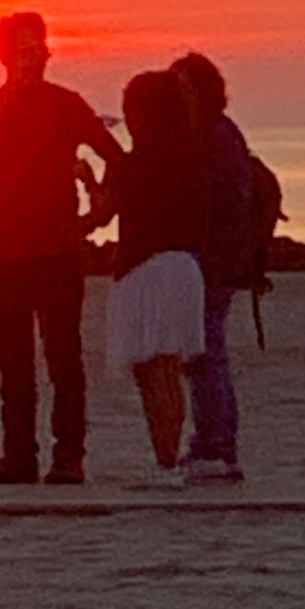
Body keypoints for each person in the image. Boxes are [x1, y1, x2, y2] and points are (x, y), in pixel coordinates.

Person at [0, 12, 123, 485]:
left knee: (63, 359)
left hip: (58, 253)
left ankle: (68, 456)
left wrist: (97, 214)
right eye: (28, 50)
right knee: (14, 365)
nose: (39, 59)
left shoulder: (67, 105)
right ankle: (18, 456)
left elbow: (115, 157)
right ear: (5, 56)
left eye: (43, 49)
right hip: (5, 253)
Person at [104, 69, 209, 485]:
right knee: (169, 369)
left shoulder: (135, 164)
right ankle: (170, 456)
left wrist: (84, 179)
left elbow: (103, 213)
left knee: (151, 372)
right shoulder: (192, 157)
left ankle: (165, 459)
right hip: (184, 269)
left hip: (147, 270)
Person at [171, 50, 254, 484]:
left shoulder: (215, 135)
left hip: (214, 261)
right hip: (206, 259)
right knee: (200, 354)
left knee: (206, 354)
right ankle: (210, 444)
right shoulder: (211, 133)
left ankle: (218, 447)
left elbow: (222, 199)